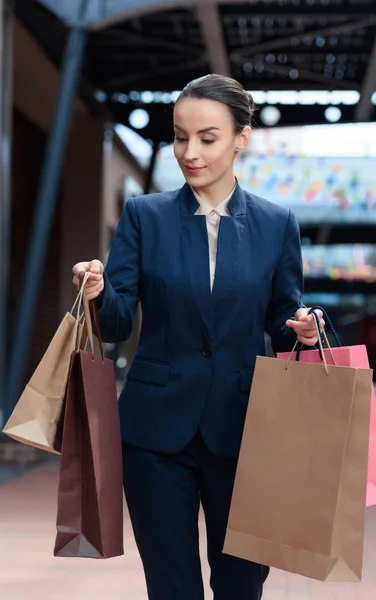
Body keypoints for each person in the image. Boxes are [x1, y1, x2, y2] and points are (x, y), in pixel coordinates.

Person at [72, 74, 325, 600]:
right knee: (171, 586)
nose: (190, 152)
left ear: (241, 137)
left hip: (246, 432)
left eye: (207, 137)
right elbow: (117, 325)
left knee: (241, 585)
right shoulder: (145, 216)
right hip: (155, 436)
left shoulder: (277, 224)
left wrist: (303, 329)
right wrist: (97, 294)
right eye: (180, 136)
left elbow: (283, 318)